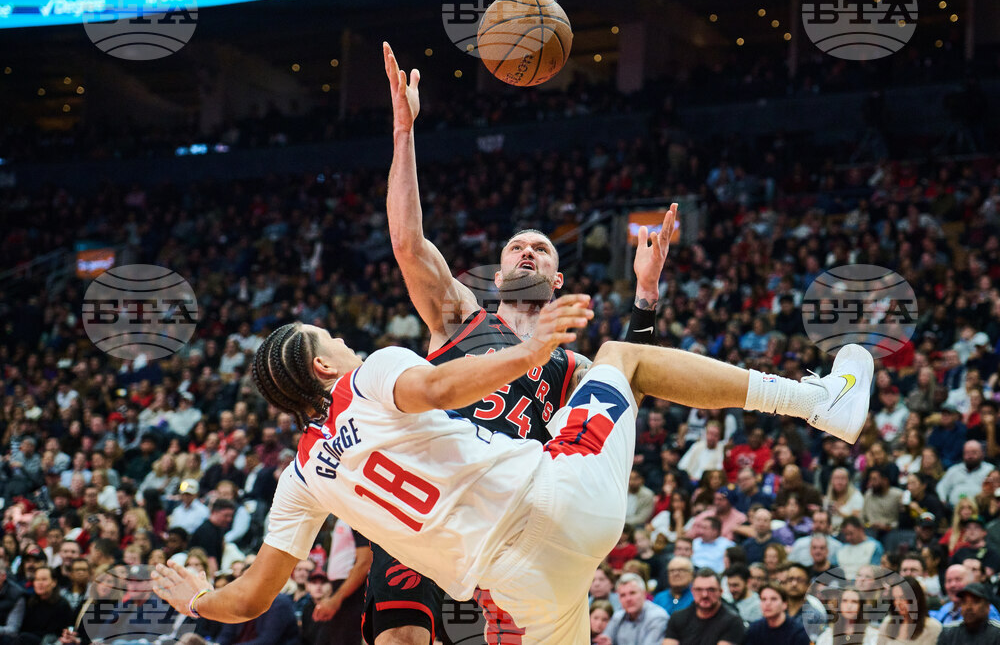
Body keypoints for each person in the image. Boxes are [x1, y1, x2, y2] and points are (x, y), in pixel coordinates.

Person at [152, 305, 873, 643]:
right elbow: (438, 388)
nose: (343, 340)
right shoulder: (370, 374)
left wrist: (197, 599)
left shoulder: (302, 476)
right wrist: (529, 350)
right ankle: (819, 401)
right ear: (321, 365)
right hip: (557, 497)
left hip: (523, 585)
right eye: (329, 339)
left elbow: (247, 601)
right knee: (624, 358)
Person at [367, 41, 681, 645]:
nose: (528, 250)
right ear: (499, 273)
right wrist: (404, 132)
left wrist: (644, 298)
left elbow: (629, 391)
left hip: (505, 519)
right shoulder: (460, 313)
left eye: (541, 248)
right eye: (517, 247)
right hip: (426, 496)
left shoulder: (571, 363)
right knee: (401, 639)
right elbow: (408, 243)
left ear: (558, 279)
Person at [662, 568, 746, 645]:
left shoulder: (733, 621)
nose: (704, 595)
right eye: (699, 589)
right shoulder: (677, 617)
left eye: (711, 590)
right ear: (692, 591)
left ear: (720, 592)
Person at [600, 573, 668, 645]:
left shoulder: (657, 617)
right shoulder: (618, 616)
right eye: (623, 595)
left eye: (632, 593)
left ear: (644, 594)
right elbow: (605, 640)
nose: (628, 599)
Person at [875, 575, 942, 645]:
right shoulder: (888, 622)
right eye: (895, 598)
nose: (898, 603)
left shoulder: (932, 627)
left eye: (902, 597)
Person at [744, 583, 810, 645]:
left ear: (784, 604)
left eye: (773, 599)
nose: (767, 603)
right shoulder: (754, 629)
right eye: (763, 599)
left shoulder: (798, 632)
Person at [931, 565, 1000, 624]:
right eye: (949, 581)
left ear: (971, 583)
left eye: (958, 579)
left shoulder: (985, 609)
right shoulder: (946, 608)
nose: (952, 585)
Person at [833, 516, 885, 581]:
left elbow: (875, 573)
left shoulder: (874, 546)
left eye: (851, 533)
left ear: (860, 529)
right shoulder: (841, 549)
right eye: (846, 534)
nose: (848, 538)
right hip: (842, 584)